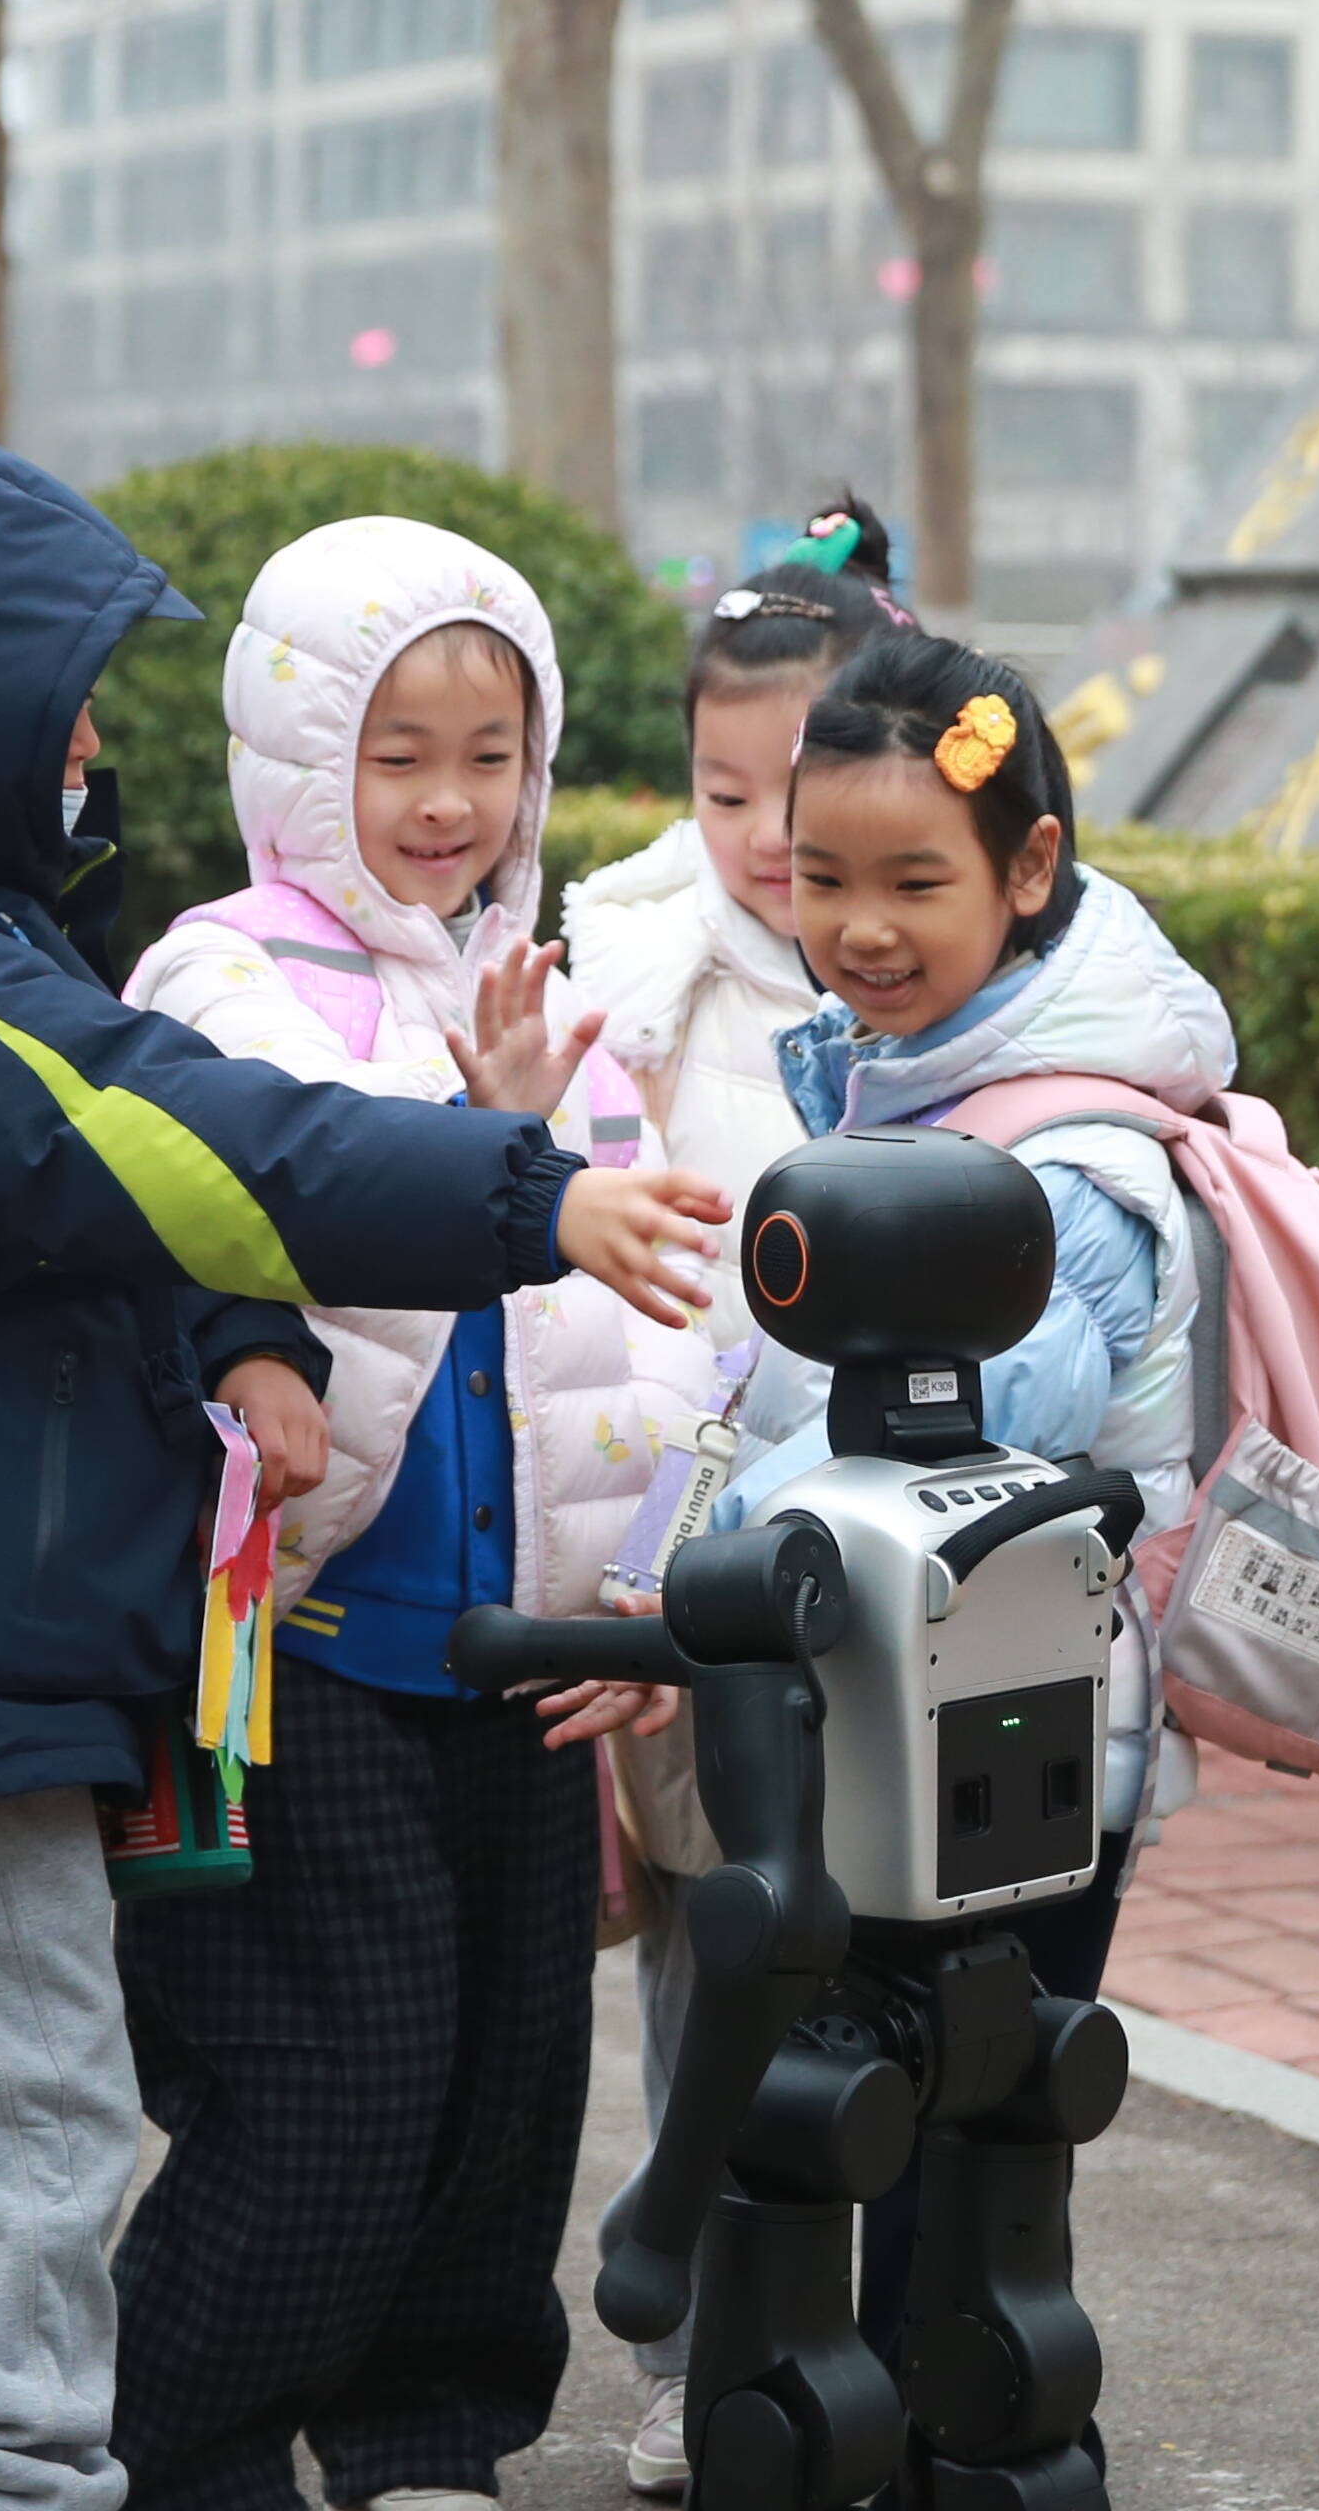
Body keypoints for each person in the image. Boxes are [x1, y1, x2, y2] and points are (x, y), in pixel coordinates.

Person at [0, 427, 725, 2511]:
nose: (91, 743)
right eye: (57, 696)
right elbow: (212, 1157)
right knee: (37, 2123)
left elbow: (174, 1210)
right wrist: (509, 1185)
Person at [97, 522, 721, 2511]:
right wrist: (492, 1156)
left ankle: (426, 2435)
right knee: (333, 2072)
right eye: (398, 755)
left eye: (490, 754)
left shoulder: (550, 991)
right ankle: (183, 2465)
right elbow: (247, 1262)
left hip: (520, 1646)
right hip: (311, 1636)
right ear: (300, 759)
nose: (451, 803)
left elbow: (660, 1336)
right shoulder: (217, 983)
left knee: (508, 2077)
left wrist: (650, 1588)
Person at [523, 629, 1239, 2360]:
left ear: (1029, 868)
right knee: (880, 2124)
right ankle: (889, 2459)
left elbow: (963, 1428)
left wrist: (712, 1577)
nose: (858, 928)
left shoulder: (1070, 1149)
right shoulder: (901, 1074)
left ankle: (961, 2473)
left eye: (916, 881)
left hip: (1019, 1726)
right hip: (904, 1691)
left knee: (965, 2158)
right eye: (824, 876)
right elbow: (783, 1391)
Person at [555, 505, 902, 2500]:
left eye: (805, 783)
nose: (768, 836)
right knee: (712, 1952)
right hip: (693, 1567)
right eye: (721, 790)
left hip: (897, 1561)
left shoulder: (946, 950)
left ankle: (877, 2325)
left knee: (897, 1954)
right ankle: (696, 2346)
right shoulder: (632, 975)